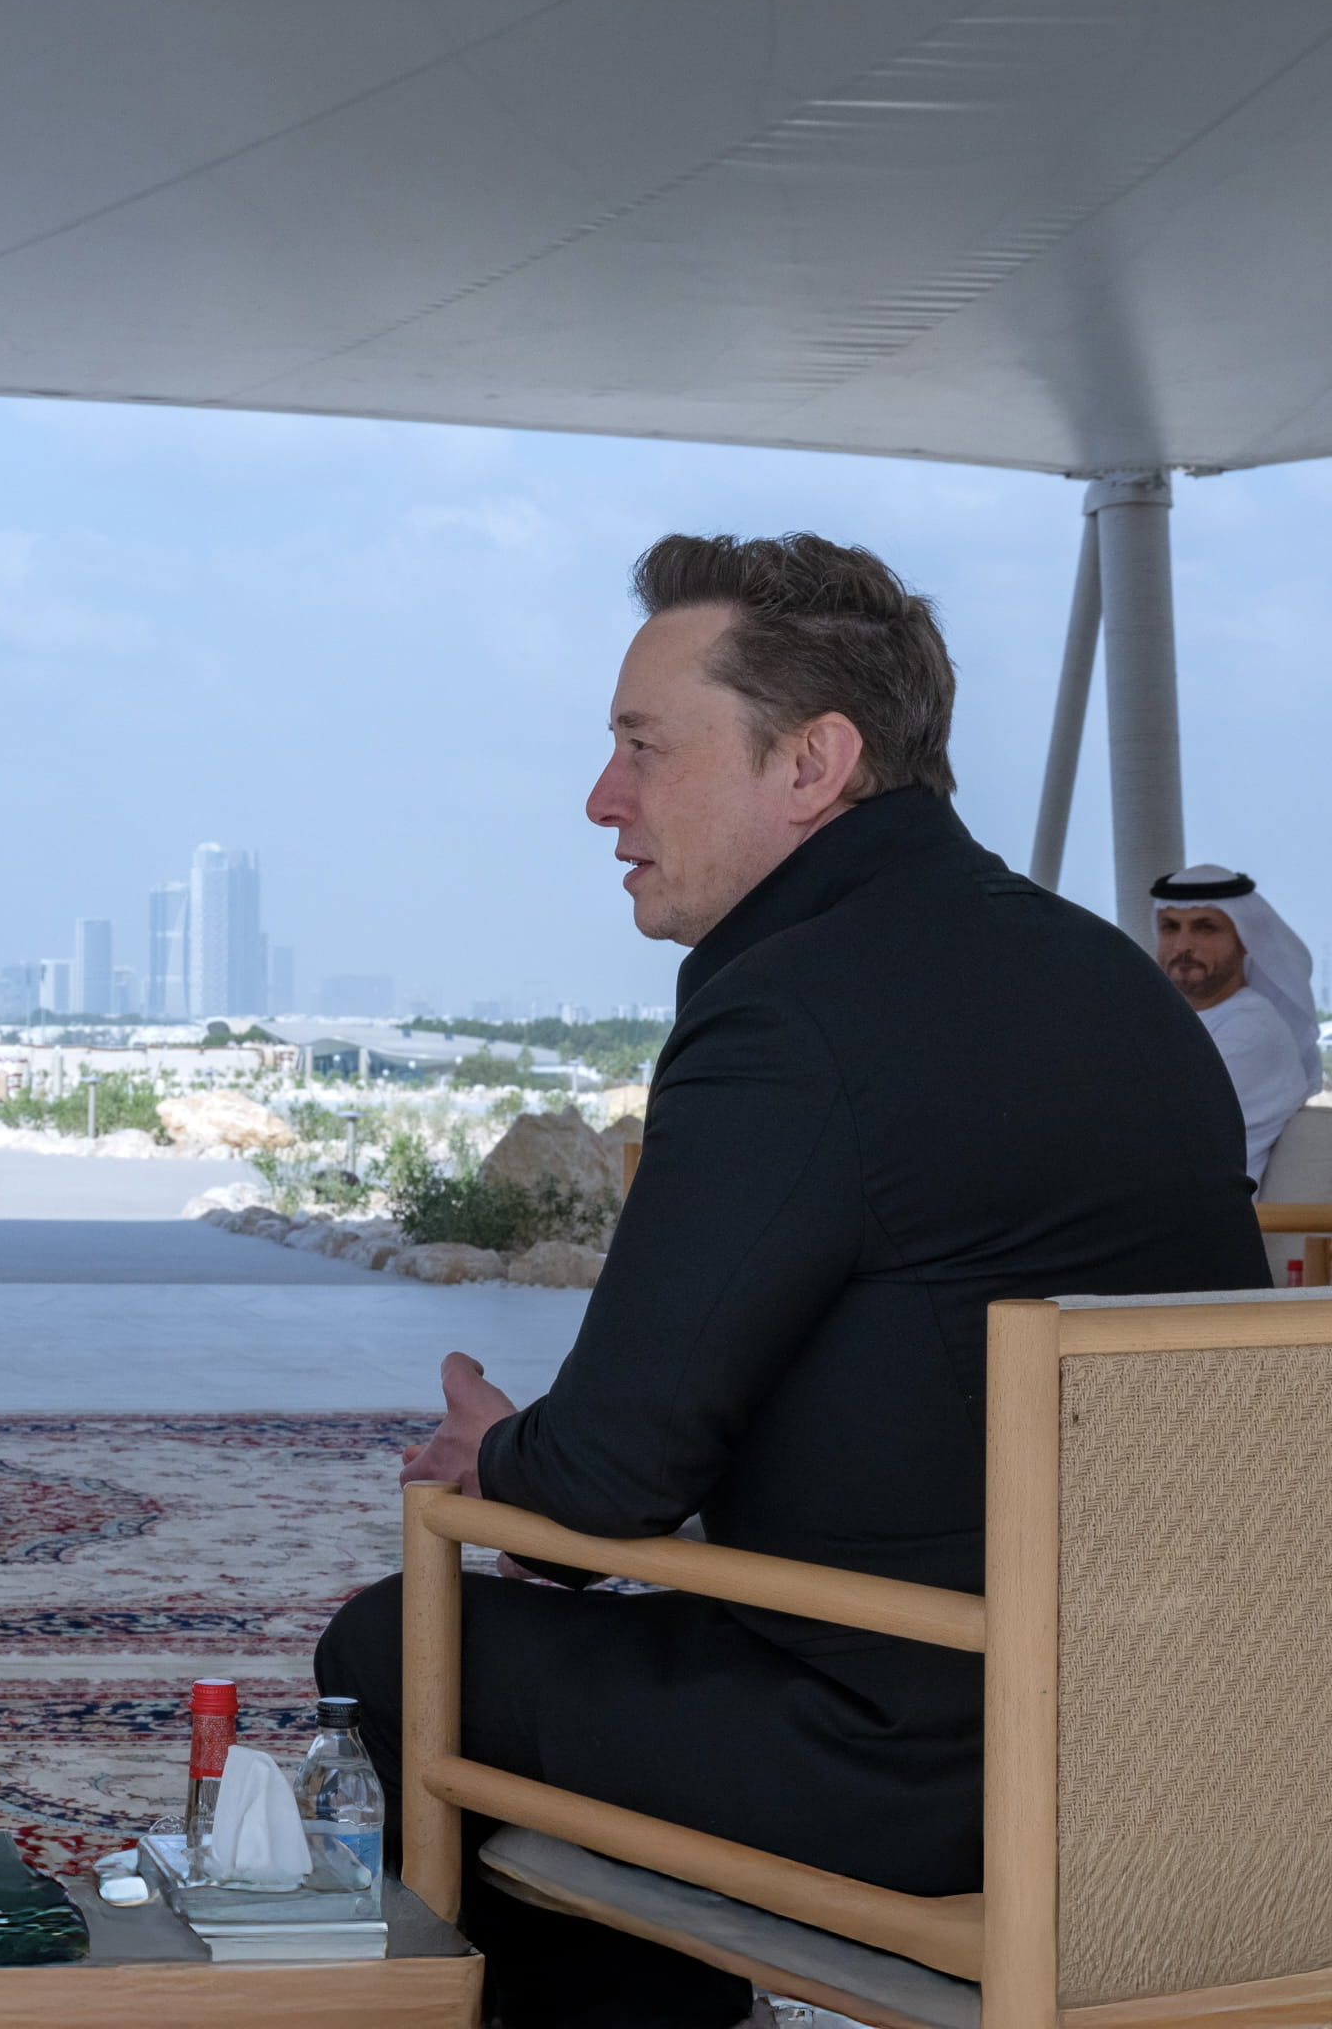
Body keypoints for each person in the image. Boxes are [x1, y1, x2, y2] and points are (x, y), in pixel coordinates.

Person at [316, 533, 1267, 2029]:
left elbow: (613, 1476)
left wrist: (497, 1458)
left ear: (813, 763)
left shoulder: (791, 1016)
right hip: (1206, 1736)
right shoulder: (1109, 980)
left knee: (395, 1638)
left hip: (930, 1760)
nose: (602, 798)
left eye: (644, 746)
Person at [1150, 863, 1320, 1188]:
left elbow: (1161, 1134)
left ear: (1244, 938)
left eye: (1205, 928)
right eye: (1170, 927)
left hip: (1196, 1211)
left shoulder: (1252, 1030)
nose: (1183, 946)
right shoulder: (1167, 1022)